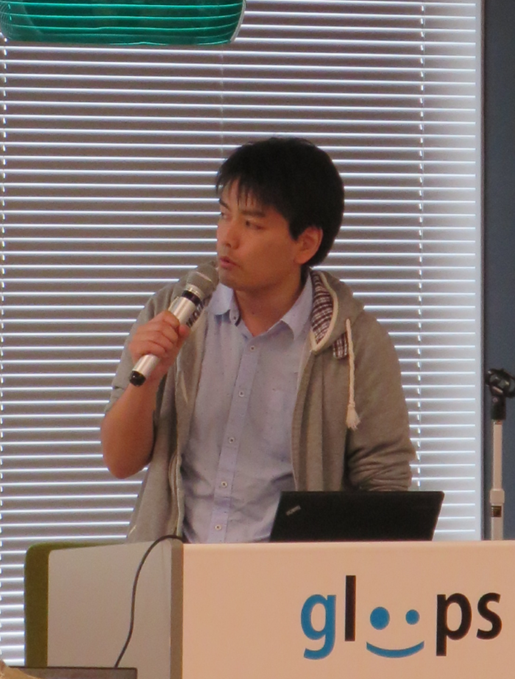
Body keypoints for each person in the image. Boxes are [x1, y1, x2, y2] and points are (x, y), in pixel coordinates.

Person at [100, 137, 414, 543]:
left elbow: (385, 487)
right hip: (177, 565)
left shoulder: (354, 343)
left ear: (305, 243)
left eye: (251, 224)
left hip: (292, 576)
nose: (227, 237)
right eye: (223, 215)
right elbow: (120, 462)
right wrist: (148, 382)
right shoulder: (173, 312)